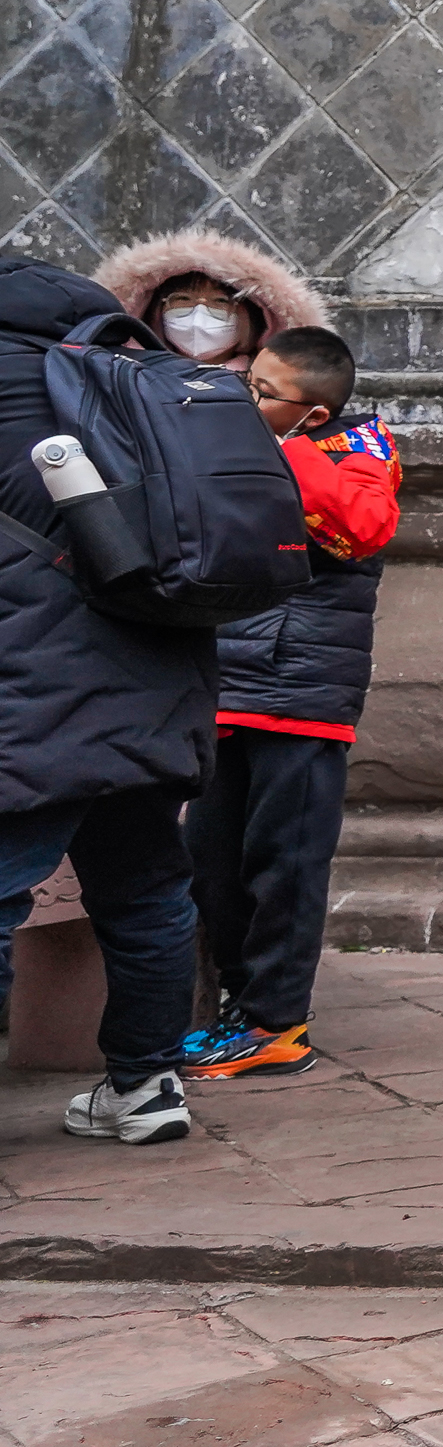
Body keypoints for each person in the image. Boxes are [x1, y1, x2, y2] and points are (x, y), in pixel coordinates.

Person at [0, 253, 210, 1145]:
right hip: (158, 674)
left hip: (31, 683)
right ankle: (148, 1085)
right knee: (146, 886)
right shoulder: (134, 369)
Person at [178, 326, 402, 1079]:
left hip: (300, 692)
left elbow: (362, 528)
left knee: (286, 867)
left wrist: (283, 451)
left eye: (265, 393)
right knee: (213, 864)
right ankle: (243, 1011)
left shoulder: (357, 449)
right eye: (250, 382)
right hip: (225, 686)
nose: (247, 398)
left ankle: (280, 1025)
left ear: (314, 412)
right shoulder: (238, 440)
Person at [93, 229, 326, 375]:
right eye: (182, 299)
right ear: (156, 310)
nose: (198, 313)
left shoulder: (268, 386)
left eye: (220, 302)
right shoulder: (125, 372)